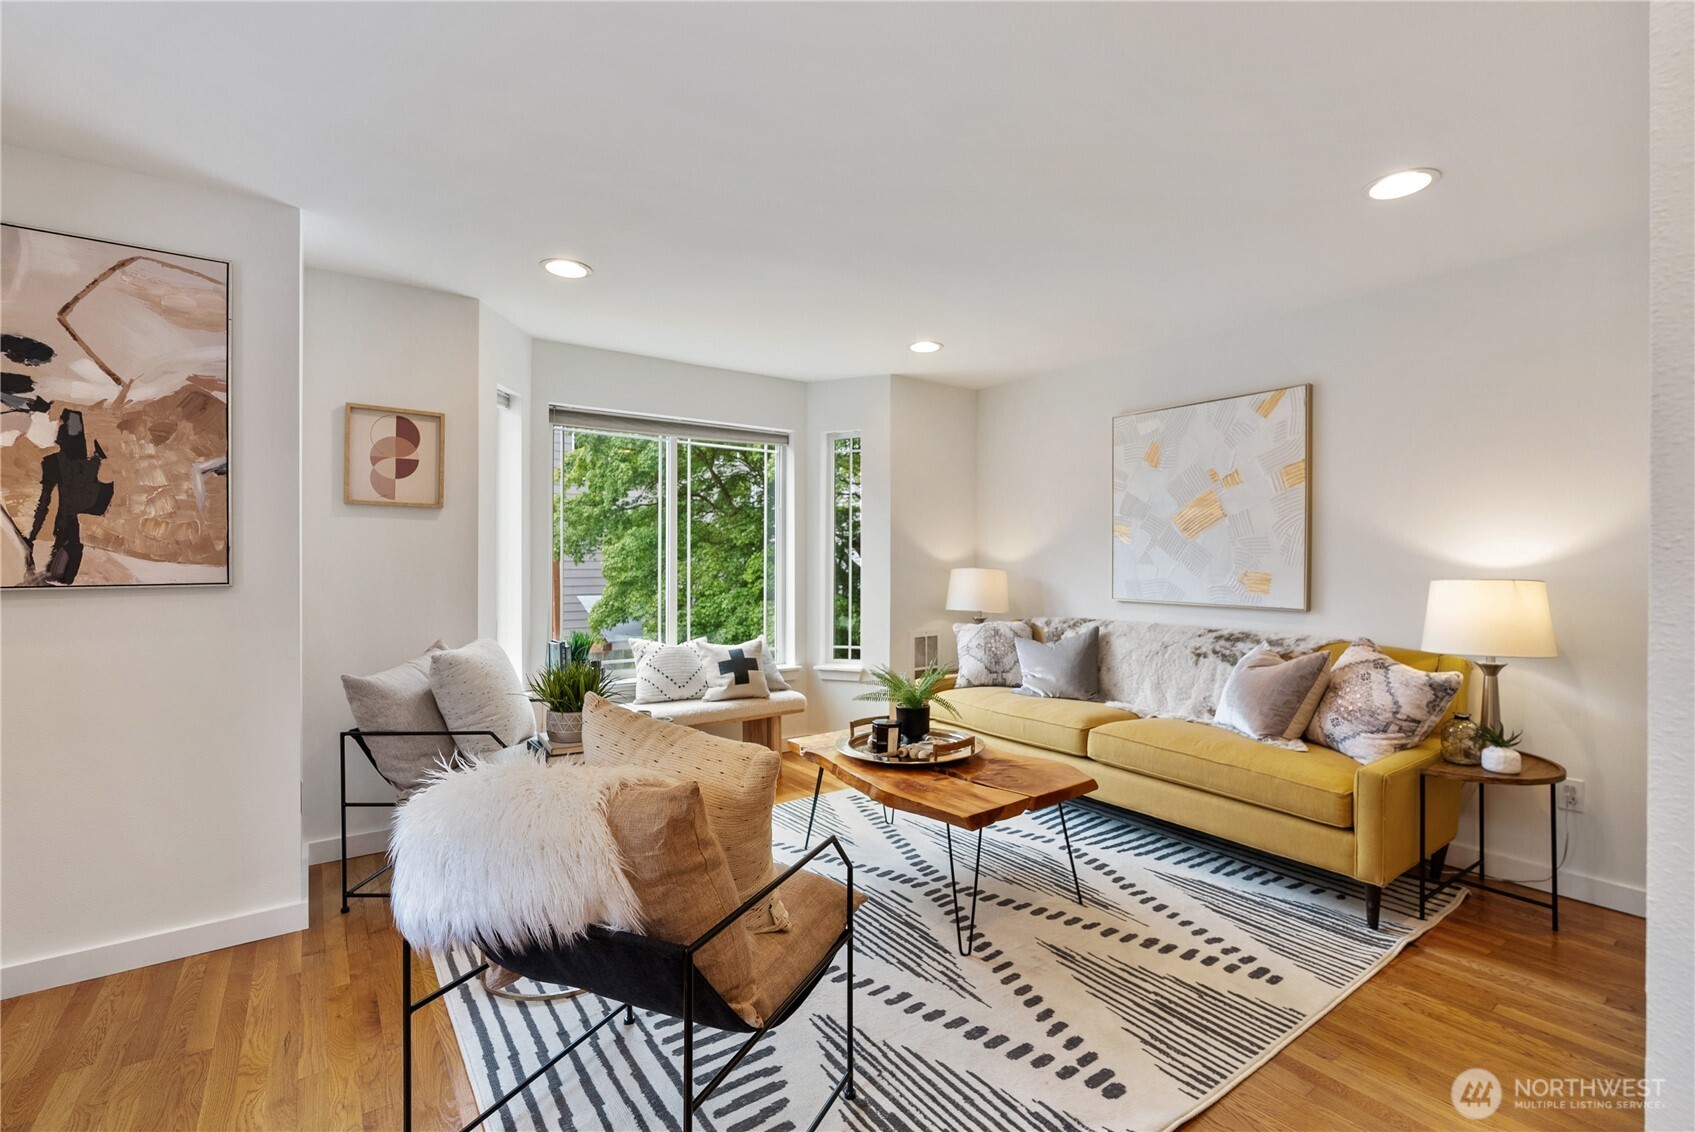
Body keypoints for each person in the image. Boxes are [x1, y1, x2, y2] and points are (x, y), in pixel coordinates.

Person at [27, 409, 113, 585]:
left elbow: (44, 502)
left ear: (60, 435)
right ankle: (62, 576)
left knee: (59, 570)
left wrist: (32, 535)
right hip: (70, 522)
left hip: (66, 522)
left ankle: (60, 575)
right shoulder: (91, 464)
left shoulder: (53, 462)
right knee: (63, 566)